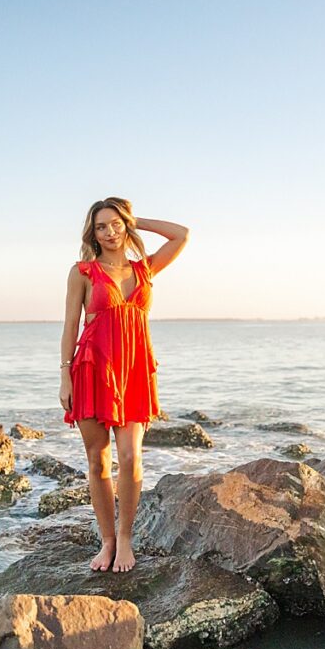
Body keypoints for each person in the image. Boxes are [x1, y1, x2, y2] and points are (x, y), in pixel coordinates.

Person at [59, 197, 190, 573]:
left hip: (134, 372)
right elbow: (70, 326)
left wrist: (135, 220)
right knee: (98, 460)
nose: (110, 232)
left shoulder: (145, 269)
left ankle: (127, 539)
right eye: (102, 226)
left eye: (116, 224)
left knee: (131, 457)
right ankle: (107, 541)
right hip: (91, 370)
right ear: (93, 234)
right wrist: (65, 373)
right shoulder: (82, 272)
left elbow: (181, 235)